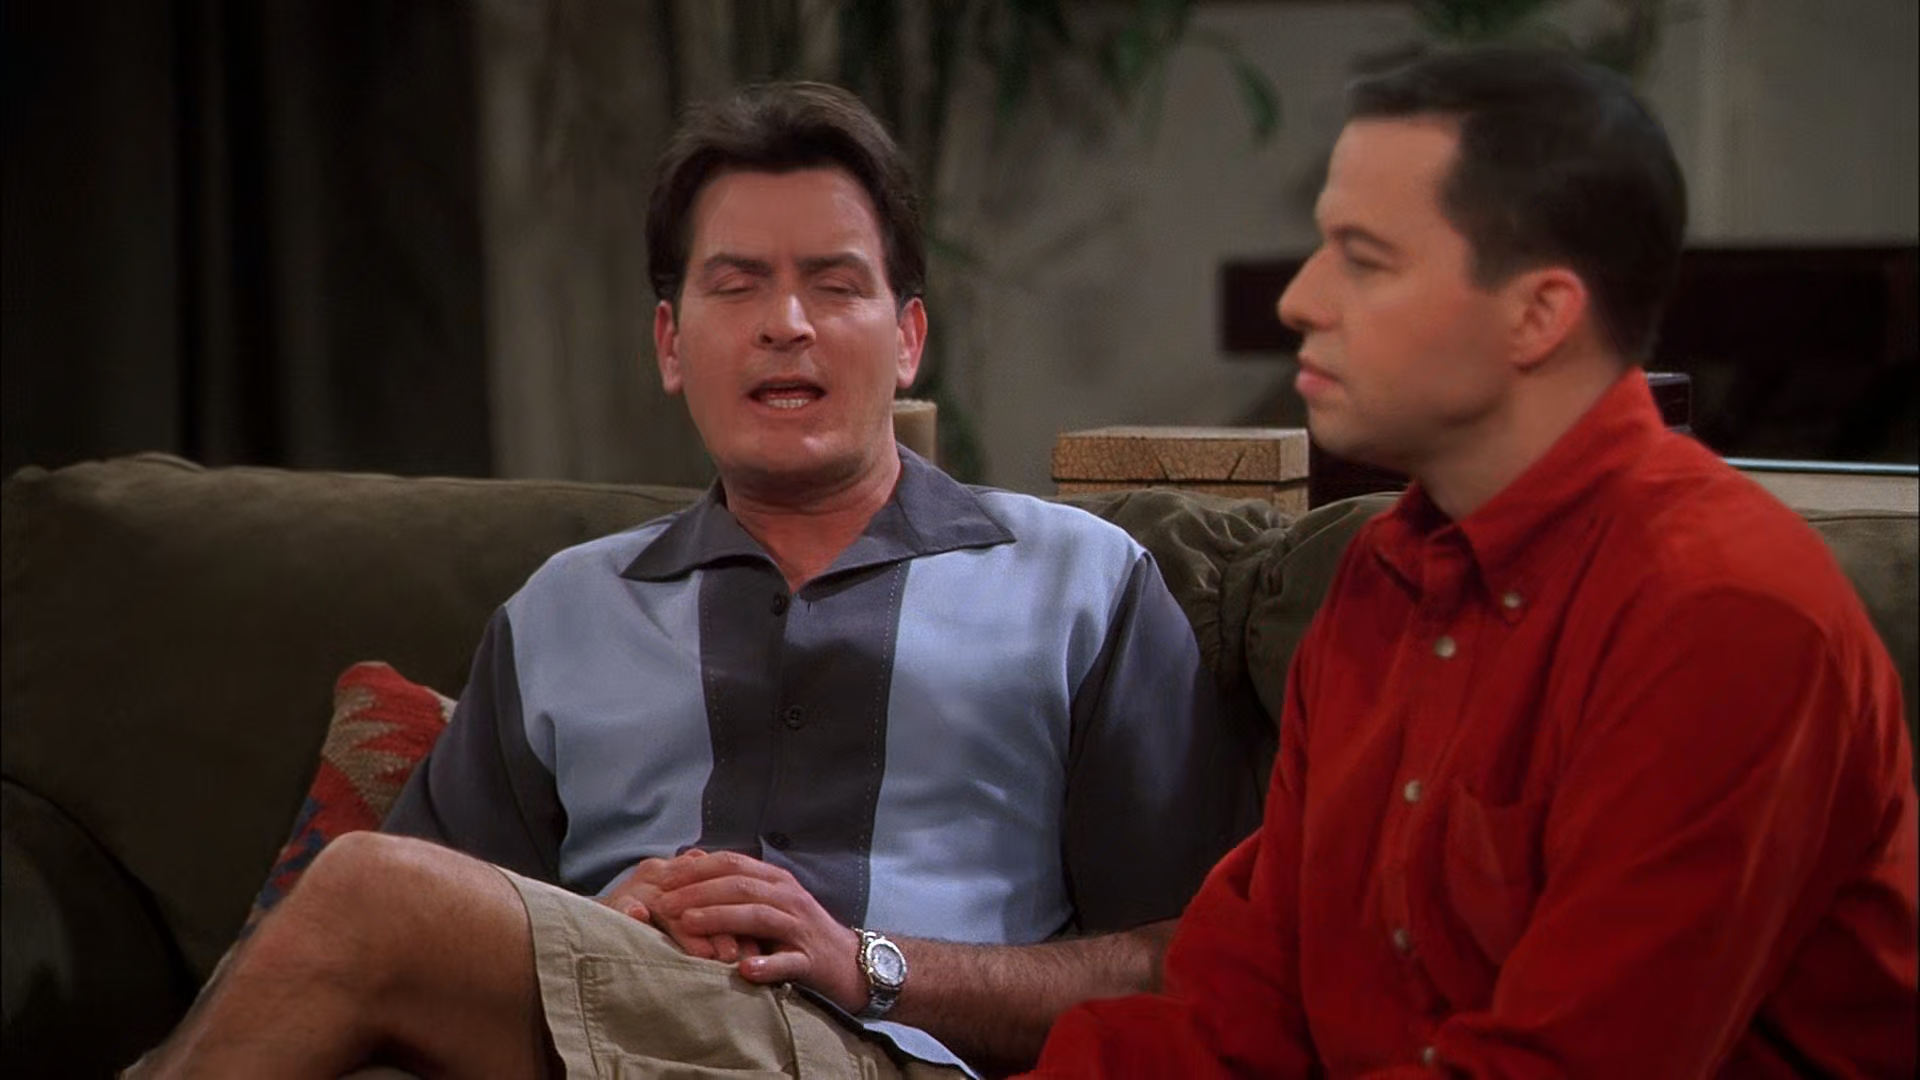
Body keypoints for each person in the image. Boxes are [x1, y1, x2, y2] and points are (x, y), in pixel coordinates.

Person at [130, 82, 1258, 1079]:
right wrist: (585, 929)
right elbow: (436, 938)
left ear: (909, 338)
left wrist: (868, 963)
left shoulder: (1080, 584)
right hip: (594, 1044)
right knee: (376, 907)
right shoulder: (562, 611)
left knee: (363, 891)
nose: (787, 325)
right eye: (738, 286)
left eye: (835, 285)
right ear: (670, 344)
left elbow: (1190, 965)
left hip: (892, 1055)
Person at [1025, 48, 1919, 1078]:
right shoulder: (1378, 580)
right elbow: (1237, 1015)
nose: (1301, 299)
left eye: (1364, 259)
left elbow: (1569, 1067)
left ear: (1538, 314)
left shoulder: (1723, 615)